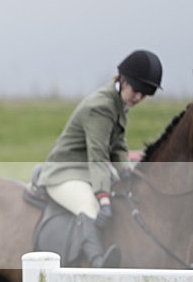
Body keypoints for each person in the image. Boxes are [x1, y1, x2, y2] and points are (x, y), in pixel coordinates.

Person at [36, 49, 163, 268]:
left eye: (144, 94)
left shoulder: (119, 103)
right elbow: (98, 156)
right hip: (64, 173)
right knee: (90, 208)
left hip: (87, 171)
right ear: (122, 80)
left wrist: (127, 172)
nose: (138, 97)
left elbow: (119, 146)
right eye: (136, 90)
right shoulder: (101, 106)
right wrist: (103, 197)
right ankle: (97, 265)